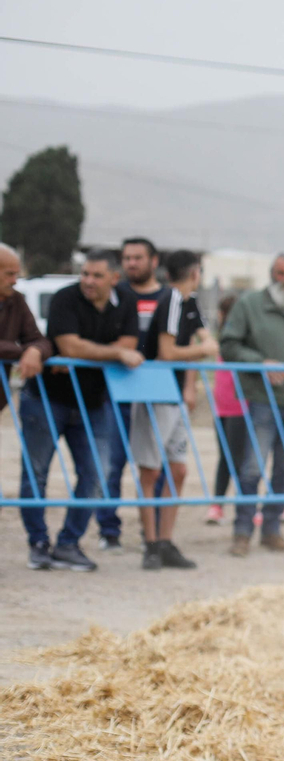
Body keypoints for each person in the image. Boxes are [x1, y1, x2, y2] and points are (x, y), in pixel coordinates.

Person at [19, 250, 143, 571]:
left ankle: (68, 542)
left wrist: (103, 352)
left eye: (97, 275)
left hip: (94, 402)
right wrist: (113, 352)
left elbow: (130, 347)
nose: (88, 281)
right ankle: (38, 542)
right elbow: (71, 347)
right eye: (85, 273)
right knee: (36, 472)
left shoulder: (126, 302)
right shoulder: (65, 298)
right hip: (48, 397)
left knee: (98, 473)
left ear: (114, 278)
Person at [219, 253, 284, 557]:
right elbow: (229, 344)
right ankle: (242, 532)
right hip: (262, 401)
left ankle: (272, 530)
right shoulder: (249, 305)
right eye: (281, 274)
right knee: (252, 468)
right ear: (271, 274)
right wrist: (260, 363)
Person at [130, 249, 215, 571]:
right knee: (150, 471)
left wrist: (191, 378)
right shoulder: (171, 301)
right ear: (195, 273)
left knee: (178, 470)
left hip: (176, 395)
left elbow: (206, 342)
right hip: (155, 393)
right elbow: (167, 352)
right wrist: (201, 349)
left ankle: (165, 541)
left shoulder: (190, 303)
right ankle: (150, 543)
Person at [95, 237, 171, 552]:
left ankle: (151, 532)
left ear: (153, 261)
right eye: (126, 258)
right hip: (117, 390)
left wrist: (190, 385)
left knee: (155, 466)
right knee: (112, 462)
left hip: (155, 392)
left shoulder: (169, 298)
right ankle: (108, 530)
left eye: (138, 257)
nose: (131, 263)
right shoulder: (115, 296)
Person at [0, 244, 51, 425]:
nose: (15, 280)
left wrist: (36, 351)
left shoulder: (16, 300)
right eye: (9, 274)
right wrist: (23, 351)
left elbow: (38, 339)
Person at [205, 294, 242, 525]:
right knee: (225, 459)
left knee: (240, 460)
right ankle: (217, 504)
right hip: (222, 407)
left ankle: (244, 505)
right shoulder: (223, 337)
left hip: (241, 407)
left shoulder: (243, 338)